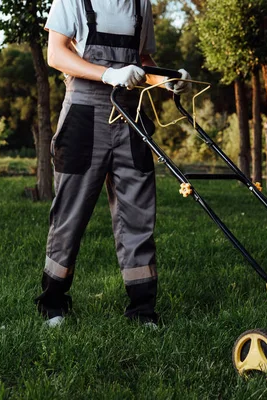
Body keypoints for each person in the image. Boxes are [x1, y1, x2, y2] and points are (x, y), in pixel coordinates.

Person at [35, 0, 191, 328]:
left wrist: (164, 79)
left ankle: (143, 311)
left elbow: (142, 62)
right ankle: (53, 304)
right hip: (84, 115)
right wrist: (108, 74)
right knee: (70, 214)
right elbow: (56, 54)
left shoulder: (140, 5)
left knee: (138, 214)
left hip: (130, 117)